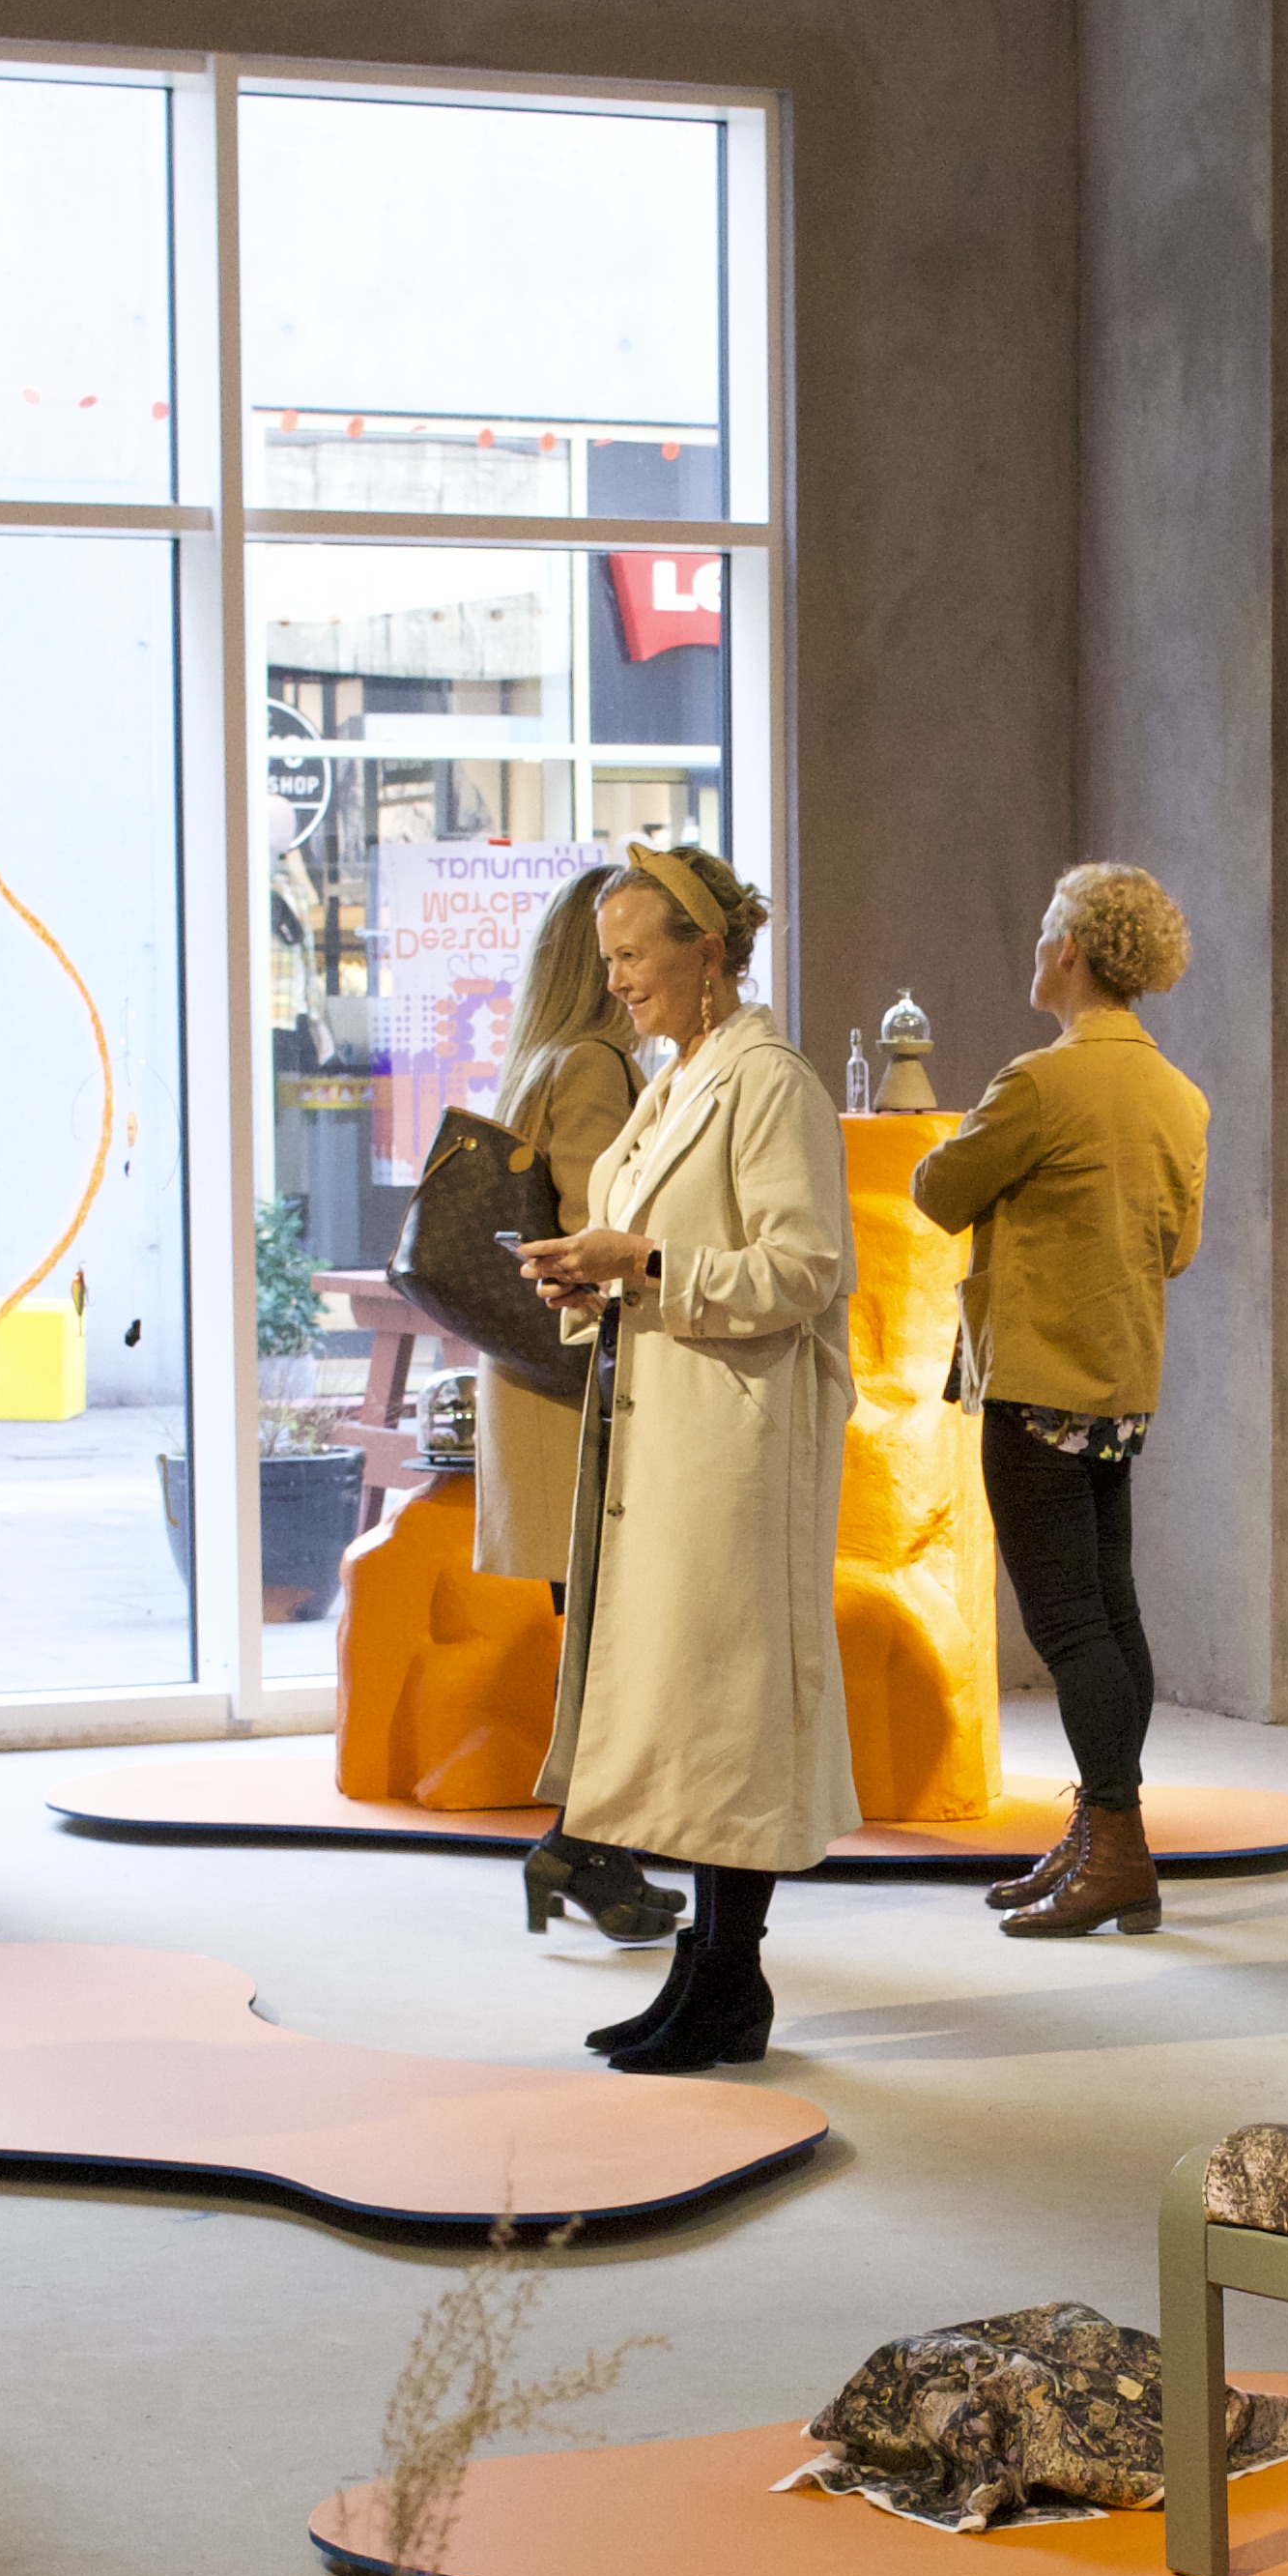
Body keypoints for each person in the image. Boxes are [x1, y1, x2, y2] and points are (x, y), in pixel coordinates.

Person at [516, 839, 854, 2075]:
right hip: (665, 1426)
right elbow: (643, 1245)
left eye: (631, 956)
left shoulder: (770, 1083)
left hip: (736, 1437)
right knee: (682, 1702)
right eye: (605, 959)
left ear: (705, 952)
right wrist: (590, 1276)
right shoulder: (675, 1084)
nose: (615, 981)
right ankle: (704, 1970)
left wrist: (646, 1266)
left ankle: (731, 1977)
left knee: (730, 1710)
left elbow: (807, 1266)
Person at [910, 861, 1210, 1941]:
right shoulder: (1179, 1095)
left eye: (1045, 933)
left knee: (1069, 1624)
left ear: (1071, 950)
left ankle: (1117, 1848)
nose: (1037, 950)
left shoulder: (1040, 1083)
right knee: (1112, 1612)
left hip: (1036, 1382)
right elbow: (1178, 1248)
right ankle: (1106, 1834)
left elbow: (938, 1192)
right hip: (1121, 1386)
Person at [471, 865, 670, 1944]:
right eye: (624, 952)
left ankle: (588, 1848)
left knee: (595, 1635)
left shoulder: (541, 1060)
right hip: (572, 1393)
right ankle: (583, 1846)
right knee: (609, 1639)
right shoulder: (593, 1066)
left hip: (531, 1388)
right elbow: (604, 1230)